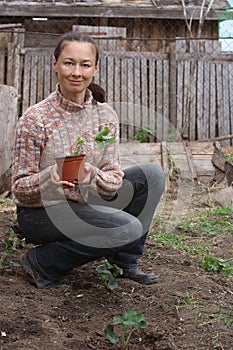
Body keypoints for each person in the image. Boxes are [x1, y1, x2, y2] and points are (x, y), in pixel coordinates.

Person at [12, 31, 165, 289]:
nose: (76, 72)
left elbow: (114, 177)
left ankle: (124, 261)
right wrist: (47, 178)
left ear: (95, 69)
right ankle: (42, 263)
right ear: (55, 64)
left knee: (153, 175)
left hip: (87, 201)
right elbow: (19, 190)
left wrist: (93, 176)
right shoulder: (35, 119)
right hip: (43, 212)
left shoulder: (105, 116)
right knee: (127, 228)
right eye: (69, 63)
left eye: (84, 65)